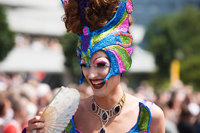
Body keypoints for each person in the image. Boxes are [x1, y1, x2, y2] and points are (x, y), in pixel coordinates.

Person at [24, 0, 165, 132]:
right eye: (84, 65)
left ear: (120, 61)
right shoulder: (66, 115)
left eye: (100, 65)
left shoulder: (151, 116)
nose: (91, 75)